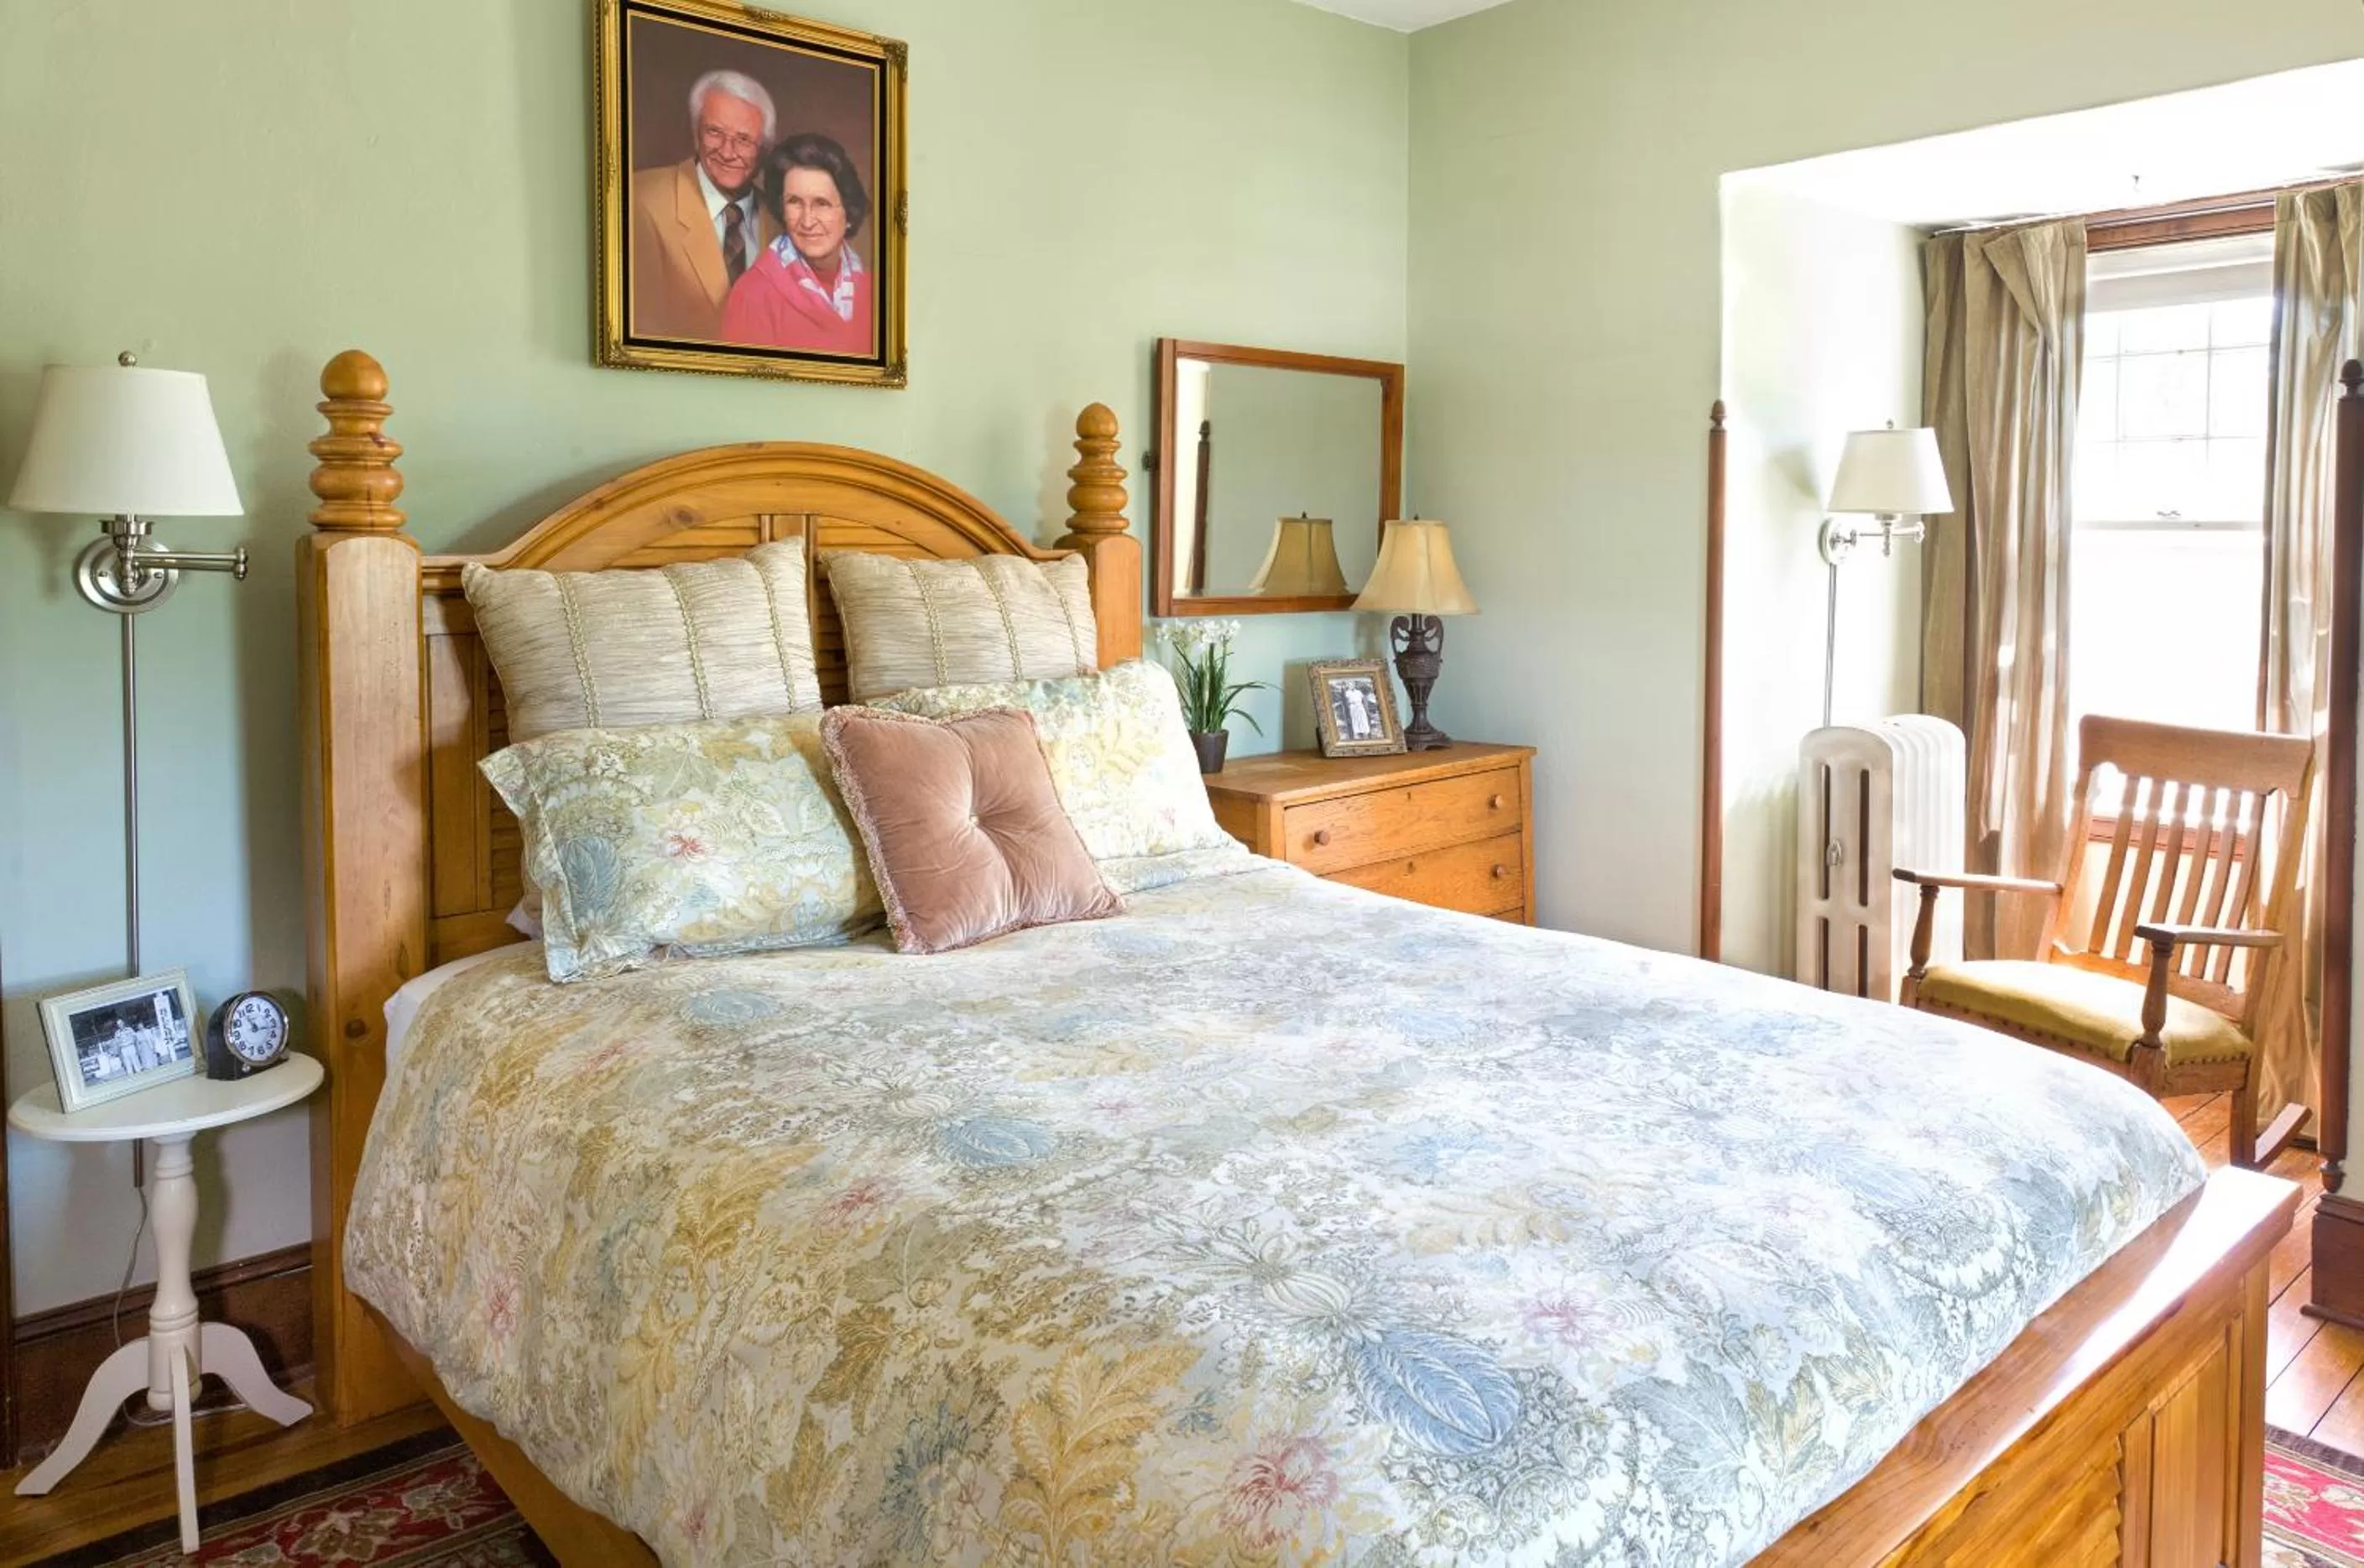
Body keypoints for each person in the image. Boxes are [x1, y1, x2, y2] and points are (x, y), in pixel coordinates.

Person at [629, 70, 782, 341]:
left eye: (744, 139)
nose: (726, 151)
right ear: (695, 132)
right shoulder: (640, 199)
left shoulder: (784, 220)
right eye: (714, 132)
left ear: (764, 148)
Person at [720, 132, 874, 357]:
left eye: (822, 203)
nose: (807, 221)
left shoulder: (876, 291)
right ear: (781, 210)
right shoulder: (752, 295)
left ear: (849, 214)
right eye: (794, 202)